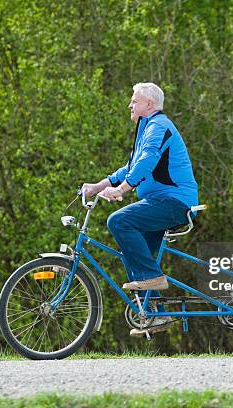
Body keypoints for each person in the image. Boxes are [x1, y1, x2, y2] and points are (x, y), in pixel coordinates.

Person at [82, 82, 198, 336]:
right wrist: (97, 186)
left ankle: (152, 279)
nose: (129, 105)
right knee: (132, 252)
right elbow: (130, 167)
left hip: (175, 202)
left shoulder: (159, 126)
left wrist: (122, 190)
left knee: (119, 222)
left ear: (149, 104)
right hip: (159, 203)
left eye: (134, 101)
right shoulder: (146, 129)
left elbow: (147, 161)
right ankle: (155, 314)